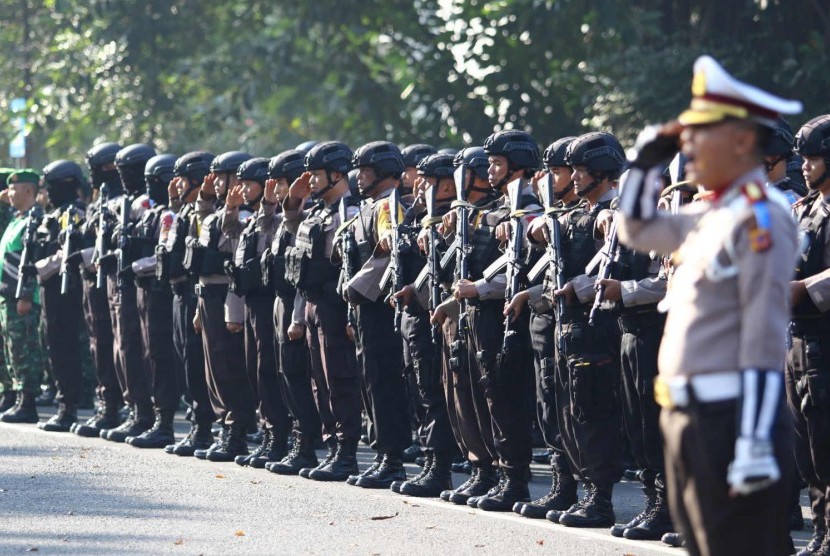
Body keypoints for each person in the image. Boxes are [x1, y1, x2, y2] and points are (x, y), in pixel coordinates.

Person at [617, 55, 801, 556]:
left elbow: (764, 332)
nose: (687, 144)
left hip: (732, 417)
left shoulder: (760, 216)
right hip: (688, 413)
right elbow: (635, 228)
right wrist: (643, 162)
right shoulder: (709, 212)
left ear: (743, 141)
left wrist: (755, 440)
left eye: (701, 132)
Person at [451, 130, 542, 512]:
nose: (490, 170)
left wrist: (482, 288)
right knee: (478, 395)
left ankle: (514, 477)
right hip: (478, 314)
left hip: (506, 315)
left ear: (517, 166)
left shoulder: (533, 212)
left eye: (497, 163)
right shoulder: (491, 211)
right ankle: (486, 469)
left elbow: (530, 272)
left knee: (504, 397)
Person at [508, 136, 581, 520]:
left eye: (557, 173)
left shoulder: (590, 215)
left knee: (578, 409)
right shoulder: (550, 217)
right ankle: (562, 485)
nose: (546, 180)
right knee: (548, 404)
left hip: (575, 322)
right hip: (545, 319)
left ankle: (593, 493)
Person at [282, 141, 362, 482]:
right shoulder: (317, 212)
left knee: (341, 378)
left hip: (336, 305)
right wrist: (293, 201)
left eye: (316, 175)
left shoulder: (352, 211)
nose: (310, 180)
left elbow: (354, 265)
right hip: (314, 304)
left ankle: (347, 453)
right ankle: (332, 448)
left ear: (337, 174)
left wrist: (350, 315)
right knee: (321, 381)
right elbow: (297, 243)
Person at [345, 141, 411, 489]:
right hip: (364, 311)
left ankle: (393, 459)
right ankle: (384, 455)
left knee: (384, 383)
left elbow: (391, 244)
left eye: (366, 171)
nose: (359, 177)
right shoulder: (368, 207)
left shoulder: (387, 206)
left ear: (384, 173)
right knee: (371, 383)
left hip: (380, 310)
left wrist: (356, 288)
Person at [188, 151, 258, 462]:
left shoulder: (241, 217)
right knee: (213, 369)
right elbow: (202, 242)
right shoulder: (216, 213)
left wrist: (230, 208)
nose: (216, 183)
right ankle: (224, 425)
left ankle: (236, 430)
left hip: (225, 295)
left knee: (230, 367)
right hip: (207, 295)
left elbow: (232, 251)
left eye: (222, 178)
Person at [223, 157, 292, 468]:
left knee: (268, 370)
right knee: (255, 369)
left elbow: (270, 227)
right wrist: (231, 208)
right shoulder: (252, 219)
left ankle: (278, 436)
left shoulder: (278, 217)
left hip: (269, 300)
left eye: (249, 184)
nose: (243, 190)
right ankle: (268, 433)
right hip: (251, 301)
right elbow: (230, 235)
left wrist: (266, 203)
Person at [788, 114, 830, 556]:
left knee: (826, 441)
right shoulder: (804, 209)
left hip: (825, 338)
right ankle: (820, 530)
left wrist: (803, 288)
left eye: (814, 157)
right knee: (807, 447)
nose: (805, 165)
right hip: (796, 341)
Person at [160, 151, 217, 456]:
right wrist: (174, 206)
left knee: (197, 362)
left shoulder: (206, 213)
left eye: (182, 178)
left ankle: (205, 427)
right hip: (178, 292)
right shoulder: (182, 212)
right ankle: (198, 424)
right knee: (185, 360)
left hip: (195, 292)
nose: (177, 184)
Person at [126, 153, 181, 448]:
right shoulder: (149, 212)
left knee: (162, 356)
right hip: (144, 291)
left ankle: (165, 422)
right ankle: (149, 414)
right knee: (146, 354)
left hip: (161, 292)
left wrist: (133, 266)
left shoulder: (169, 215)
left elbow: (164, 253)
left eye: (154, 182)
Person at [31, 160, 88, 432]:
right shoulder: (51, 215)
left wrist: (39, 267)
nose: (47, 193)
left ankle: (69, 407)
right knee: (53, 346)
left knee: (65, 348)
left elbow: (67, 253)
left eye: (51, 187)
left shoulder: (74, 214)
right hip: (50, 290)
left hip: (67, 290)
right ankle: (62, 400)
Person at [72, 143, 124, 437]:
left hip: (111, 280)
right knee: (98, 343)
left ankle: (116, 404)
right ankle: (106, 402)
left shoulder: (123, 202)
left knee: (113, 342)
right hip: (91, 283)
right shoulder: (97, 202)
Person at [0, 170, 48, 423]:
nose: (8, 193)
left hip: (22, 295)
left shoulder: (35, 219)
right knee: (11, 349)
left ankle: (27, 401)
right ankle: (15, 397)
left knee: (25, 349)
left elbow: (31, 260)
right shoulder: (16, 218)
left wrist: (26, 296)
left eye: (14, 189)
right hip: (8, 294)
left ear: (28, 191)